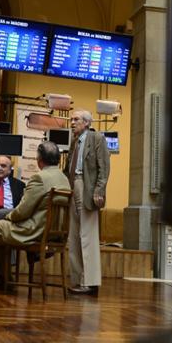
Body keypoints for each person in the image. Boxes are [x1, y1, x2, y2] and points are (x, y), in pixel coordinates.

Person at [0, 141, 70, 292]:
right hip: (54, 233)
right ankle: (5, 277)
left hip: (33, 230)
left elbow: (22, 211)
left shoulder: (39, 178)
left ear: (39, 159)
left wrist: (8, 217)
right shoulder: (64, 179)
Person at [65, 109, 110, 296]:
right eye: (71, 119)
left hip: (88, 188)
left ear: (86, 122)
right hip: (72, 185)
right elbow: (68, 167)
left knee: (88, 235)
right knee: (73, 236)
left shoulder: (96, 138)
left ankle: (91, 283)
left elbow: (104, 167)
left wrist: (99, 191)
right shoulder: (74, 142)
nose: (72, 122)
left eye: (76, 119)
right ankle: (77, 280)